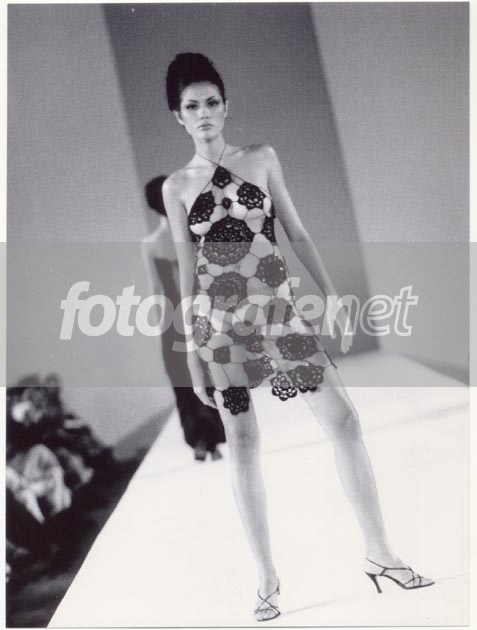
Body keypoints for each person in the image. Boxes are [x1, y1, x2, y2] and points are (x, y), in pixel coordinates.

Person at [162, 52, 434, 621]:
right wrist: (190, 355)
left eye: (212, 102)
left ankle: (380, 553)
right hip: (221, 329)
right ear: (178, 117)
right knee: (243, 443)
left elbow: (297, 230)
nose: (204, 113)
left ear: (226, 106)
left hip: (281, 316)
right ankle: (266, 579)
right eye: (192, 106)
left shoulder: (260, 159)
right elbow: (186, 274)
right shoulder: (176, 187)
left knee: (344, 421)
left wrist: (331, 294)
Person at [142, 176, 226, 461]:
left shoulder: (151, 244)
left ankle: (200, 439)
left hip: (173, 319)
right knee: (206, 374)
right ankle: (212, 436)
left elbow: (155, 289)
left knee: (183, 379)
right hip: (199, 313)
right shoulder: (191, 235)